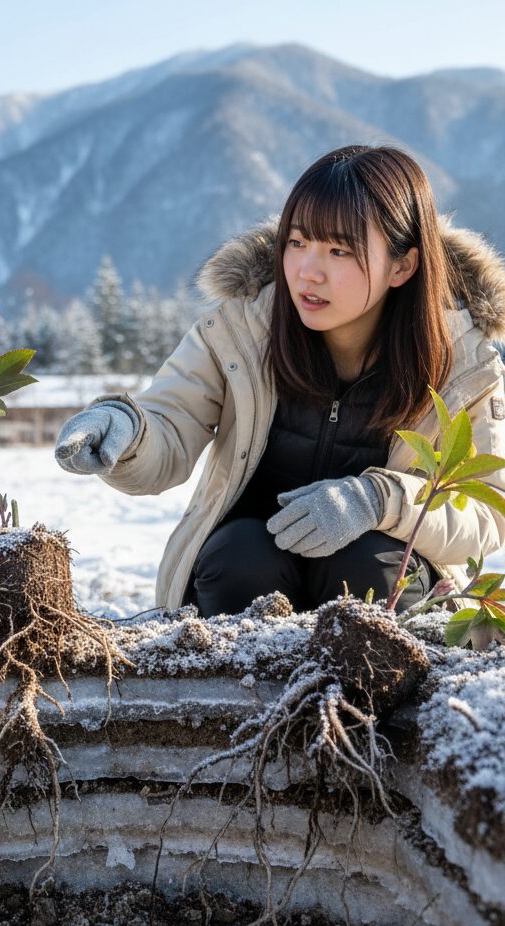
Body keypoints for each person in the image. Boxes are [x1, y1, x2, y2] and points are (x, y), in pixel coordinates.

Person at [54, 145, 505, 616]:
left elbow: (487, 509)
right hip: (246, 578)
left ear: (403, 266)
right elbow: (171, 420)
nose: (308, 271)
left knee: (369, 563)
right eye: (296, 242)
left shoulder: (464, 364)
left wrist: (376, 500)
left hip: (377, 584)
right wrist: (125, 430)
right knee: (241, 554)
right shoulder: (243, 328)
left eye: (339, 250)